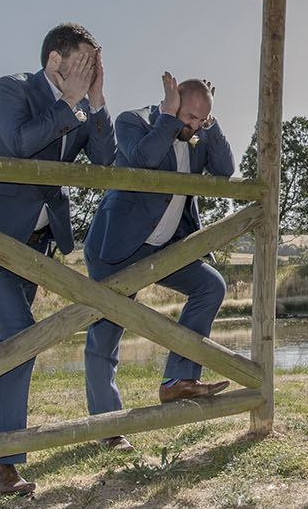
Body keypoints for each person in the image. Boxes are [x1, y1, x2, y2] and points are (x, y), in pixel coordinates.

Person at [0, 23, 117, 496]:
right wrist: (71, 103)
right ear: (55, 61)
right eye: (83, 62)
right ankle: (1, 463)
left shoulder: (80, 106)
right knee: (18, 338)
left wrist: (96, 99)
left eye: (94, 64)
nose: (88, 70)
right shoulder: (12, 88)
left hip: (34, 248)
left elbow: (104, 162)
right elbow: (20, 144)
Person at [82, 74, 236, 452]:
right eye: (189, 116)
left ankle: (178, 379)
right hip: (116, 246)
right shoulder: (134, 121)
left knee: (210, 286)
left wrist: (209, 127)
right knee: (106, 336)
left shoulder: (199, 135)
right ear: (171, 101)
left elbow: (224, 169)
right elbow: (145, 158)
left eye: (201, 120)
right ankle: (108, 430)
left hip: (167, 248)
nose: (192, 126)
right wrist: (169, 118)